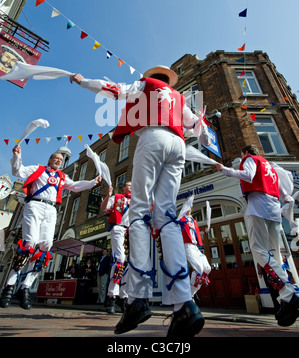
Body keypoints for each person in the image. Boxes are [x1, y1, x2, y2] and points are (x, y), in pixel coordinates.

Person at [70, 64, 210, 338]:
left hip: (154, 138)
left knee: (139, 213)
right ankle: (185, 304)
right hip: (178, 145)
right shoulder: (178, 96)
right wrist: (201, 129)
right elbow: (196, 127)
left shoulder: (147, 85)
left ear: (150, 77)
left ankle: (137, 299)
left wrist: (84, 80)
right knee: (167, 217)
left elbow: (116, 90)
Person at [0, 145, 101, 310]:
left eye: (61, 160)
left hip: (52, 209)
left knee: (46, 246)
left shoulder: (62, 176)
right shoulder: (38, 169)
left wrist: (92, 182)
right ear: (50, 159)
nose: (59, 161)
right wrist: (17, 156)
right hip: (35, 205)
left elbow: (75, 186)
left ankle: (26, 287)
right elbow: (18, 171)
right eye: (56, 159)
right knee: (29, 243)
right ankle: (9, 286)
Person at [216, 144, 299, 327]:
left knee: (257, 249)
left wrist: (226, 170)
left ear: (245, 152)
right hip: (274, 210)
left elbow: (247, 175)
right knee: (274, 252)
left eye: (241, 155)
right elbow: (286, 196)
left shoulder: (250, 159)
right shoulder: (270, 166)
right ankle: (286, 297)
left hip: (259, 207)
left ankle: (288, 291)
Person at [101, 182, 131, 314]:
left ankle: (123, 297)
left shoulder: (138, 200)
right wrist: (108, 196)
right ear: (123, 187)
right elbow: (104, 208)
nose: (132, 187)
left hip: (131, 231)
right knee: (120, 259)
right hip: (118, 228)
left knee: (129, 264)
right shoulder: (118, 198)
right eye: (129, 185)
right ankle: (112, 296)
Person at [179, 199, 211, 300]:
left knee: (207, 268)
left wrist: (204, 232)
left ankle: (193, 292)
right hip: (187, 246)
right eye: (187, 207)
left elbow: (196, 234)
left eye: (190, 208)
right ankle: (189, 294)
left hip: (195, 246)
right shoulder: (181, 219)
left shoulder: (193, 220)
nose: (189, 209)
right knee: (199, 269)